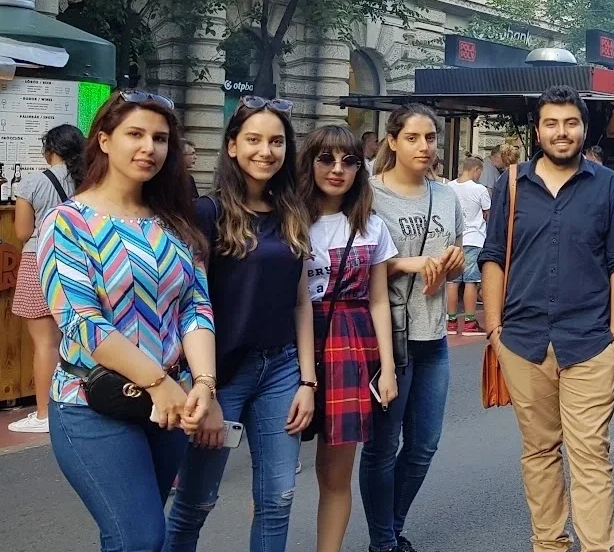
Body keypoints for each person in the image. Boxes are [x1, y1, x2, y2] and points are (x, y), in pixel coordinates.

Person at [39, 90, 215, 551]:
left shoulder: (175, 222)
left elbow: (196, 306)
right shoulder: (67, 222)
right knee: (139, 537)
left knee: (140, 537)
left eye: (160, 138)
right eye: (135, 134)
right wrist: (158, 382)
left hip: (169, 404)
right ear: (104, 140)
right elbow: (81, 321)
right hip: (92, 401)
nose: (149, 148)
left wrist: (203, 382)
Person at [480, 85, 614, 552]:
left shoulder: (607, 185)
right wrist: (494, 329)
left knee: (590, 453)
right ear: (538, 130)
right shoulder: (511, 184)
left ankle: (597, 547)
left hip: (590, 340)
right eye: (552, 123)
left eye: (570, 123)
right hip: (523, 340)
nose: (561, 132)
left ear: (584, 129)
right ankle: (548, 544)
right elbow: (493, 256)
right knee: (540, 451)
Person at [166, 97, 318, 552]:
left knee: (278, 498)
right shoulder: (207, 213)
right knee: (196, 501)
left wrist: (307, 381)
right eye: (254, 140)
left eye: (276, 142)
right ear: (232, 146)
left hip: (282, 369)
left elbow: (301, 303)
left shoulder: (293, 212)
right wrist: (203, 388)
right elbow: (186, 305)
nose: (266, 151)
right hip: (220, 373)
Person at [361, 103, 465, 552]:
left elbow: (452, 265)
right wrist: (407, 263)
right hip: (388, 338)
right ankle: (383, 541)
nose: (424, 146)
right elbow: (353, 264)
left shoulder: (446, 196)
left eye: (431, 138)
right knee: (383, 448)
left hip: (433, 336)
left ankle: (392, 525)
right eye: (413, 138)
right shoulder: (368, 195)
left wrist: (453, 264)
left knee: (424, 446)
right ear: (392, 140)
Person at [300, 125, 400, 552]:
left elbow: (379, 300)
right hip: (292, 342)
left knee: (335, 473)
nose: (337, 169)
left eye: (349, 161)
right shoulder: (288, 220)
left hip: (350, 345)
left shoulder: (371, 225)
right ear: (309, 163)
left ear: (361, 168)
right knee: (276, 477)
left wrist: (388, 368)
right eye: (326, 159)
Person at [10, 124, 84, 434]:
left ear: (49, 149)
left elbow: (22, 232)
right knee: (77, 340)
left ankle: (44, 414)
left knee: (45, 343)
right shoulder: (90, 181)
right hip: (79, 262)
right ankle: (75, 408)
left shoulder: (33, 183)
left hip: (40, 261)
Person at [447, 157, 492, 336]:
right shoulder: (480, 189)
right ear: (475, 170)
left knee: (452, 281)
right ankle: (469, 322)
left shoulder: (449, 187)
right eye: (480, 172)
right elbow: (487, 213)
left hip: (454, 240)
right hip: (474, 239)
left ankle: (451, 322)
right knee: (471, 282)